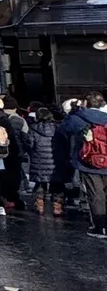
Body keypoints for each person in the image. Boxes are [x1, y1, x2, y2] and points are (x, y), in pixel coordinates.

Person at [62, 92, 107, 238]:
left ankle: (100, 227)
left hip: (88, 162)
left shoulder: (78, 117)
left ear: (86, 103)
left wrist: (73, 112)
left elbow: (65, 130)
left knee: (95, 194)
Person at [26, 105, 65, 217]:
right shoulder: (58, 128)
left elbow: (30, 144)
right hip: (54, 160)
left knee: (40, 184)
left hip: (39, 161)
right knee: (57, 185)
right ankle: (57, 208)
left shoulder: (33, 128)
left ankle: (39, 206)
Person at [0, 96, 31, 211]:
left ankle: (1, 198)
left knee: (1, 175)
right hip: (16, 151)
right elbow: (26, 137)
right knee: (14, 176)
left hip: (0, 151)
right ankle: (13, 198)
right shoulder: (20, 120)